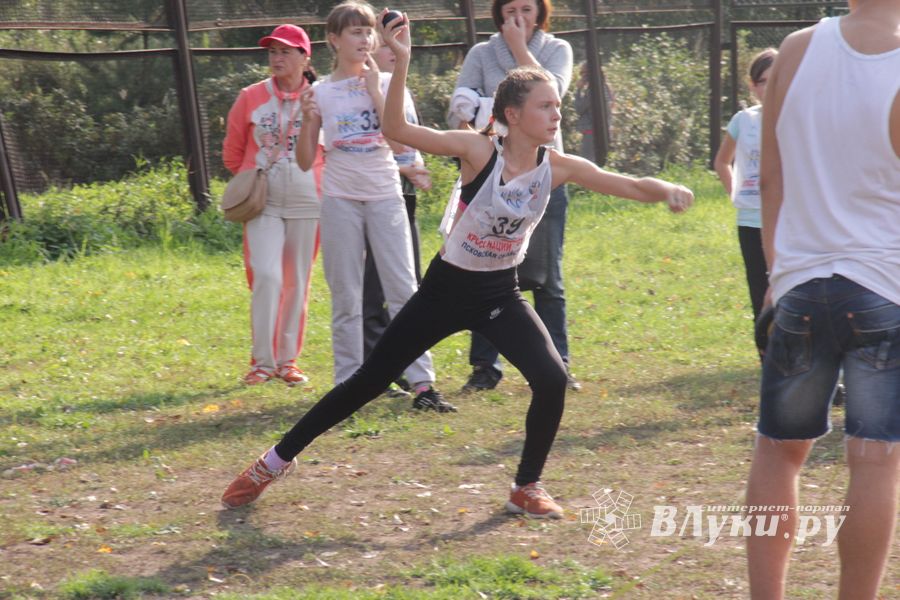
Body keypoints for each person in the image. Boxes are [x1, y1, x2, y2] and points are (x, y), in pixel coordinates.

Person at [221, 12, 694, 519]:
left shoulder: (557, 167)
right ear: (512, 114)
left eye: (558, 104)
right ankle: (272, 462)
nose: (556, 114)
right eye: (545, 106)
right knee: (369, 381)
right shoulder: (476, 150)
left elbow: (624, 182)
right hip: (445, 292)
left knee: (552, 380)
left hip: (499, 296)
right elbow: (396, 128)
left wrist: (665, 189)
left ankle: (526, 487)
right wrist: (398, 62)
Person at [744, 1, 900, 597]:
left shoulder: (797, 49)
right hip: (883, 287)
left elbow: (772, 177)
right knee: (874, 462)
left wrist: (777, 276)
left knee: (778, 454)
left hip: (802, 284)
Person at [295, 1, 449, 411]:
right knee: (346, 295)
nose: (364, 40)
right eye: (355, 33)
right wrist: (308, 119)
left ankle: (422, 384)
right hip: (340, 199)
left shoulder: (385, 80)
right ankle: (347, 387)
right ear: (334, 40)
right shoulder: (320, 92)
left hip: (384, 194)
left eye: (368, 32)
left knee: (404, 290)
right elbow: (305, 160)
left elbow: (399, 143)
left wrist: (377, 90)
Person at [448, 0, 579, 393]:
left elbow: (555, 90)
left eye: (527, 7)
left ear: (541, 11)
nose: (518, 15)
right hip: (493, 178)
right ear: (498, 13)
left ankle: (558, 363)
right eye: (510, 8)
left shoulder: (557, 49)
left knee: (548, 276)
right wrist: (470, 117)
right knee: (487, 270)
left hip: (544, 175)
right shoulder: (482, 53)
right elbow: (458, 112)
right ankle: (485, 368)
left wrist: (520, 46)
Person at [222, 24, 322, 386]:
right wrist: (252, 179)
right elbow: (233, 150)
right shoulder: (251, 96)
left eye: (285, 52)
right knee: (266, 274)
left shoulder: (320, 96)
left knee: (296, 280)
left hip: (308, 196)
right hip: (263, 198)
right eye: (272, 52)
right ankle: (261, 362)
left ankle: (287, 361)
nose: (277, 58)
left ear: (304, 57)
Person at [362, 33, 432, 399]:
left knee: (409, 286)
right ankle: (375, 374)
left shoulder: (399, 88)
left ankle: (410, 370)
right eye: (385, 44)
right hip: (372, 197)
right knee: (372, 292)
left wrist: (415, 166)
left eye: (398, 43)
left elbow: (409, 139)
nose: (392, 51)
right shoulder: (361, 88)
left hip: (403, 199)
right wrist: (406, 165)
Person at [713, 48, 777, 329]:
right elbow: (722, 162)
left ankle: (800, 354)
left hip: (790, 219)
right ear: (753, 86)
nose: (771, 87)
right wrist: (736, 193)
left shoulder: (799, 115)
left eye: (778, 79)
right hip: (752, 220)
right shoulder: (744, 120)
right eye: (764, 81)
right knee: (759, 287)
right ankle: (767, 356)